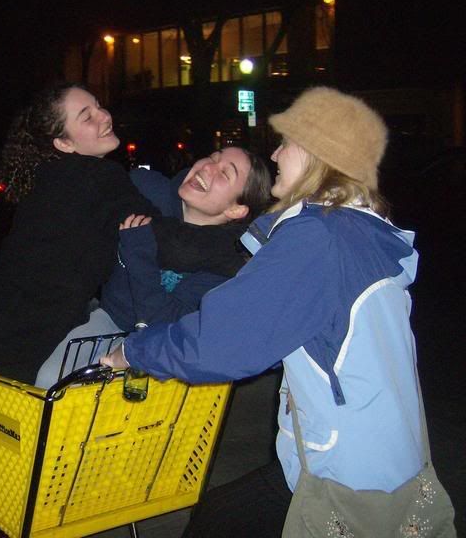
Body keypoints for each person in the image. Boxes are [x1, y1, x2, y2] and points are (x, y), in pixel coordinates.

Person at [101, 87, 455, 536]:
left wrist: (132, 353)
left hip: (347, 471)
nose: (277, 151)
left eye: (287, 142)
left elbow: (223, 343)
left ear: (317, 154)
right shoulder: (359, 230)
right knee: (222, 518)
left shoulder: (316, 239)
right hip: (381, 455)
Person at [0, 82, 156, 384]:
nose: (104, 116)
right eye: (87, 116)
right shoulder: (101, 177)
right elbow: (162, 235)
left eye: (98, 105)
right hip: (19, 337)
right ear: (64, 143)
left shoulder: (46, 181)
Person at [35, 146, 273, 387]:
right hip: (110, 322)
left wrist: (139, 252)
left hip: (165, 347)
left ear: (236, 209)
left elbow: (165, 322)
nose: (208, 167)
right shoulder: (148, 193)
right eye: (212, 157)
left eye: (225, 173)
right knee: (51, 380)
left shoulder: (226, 261)